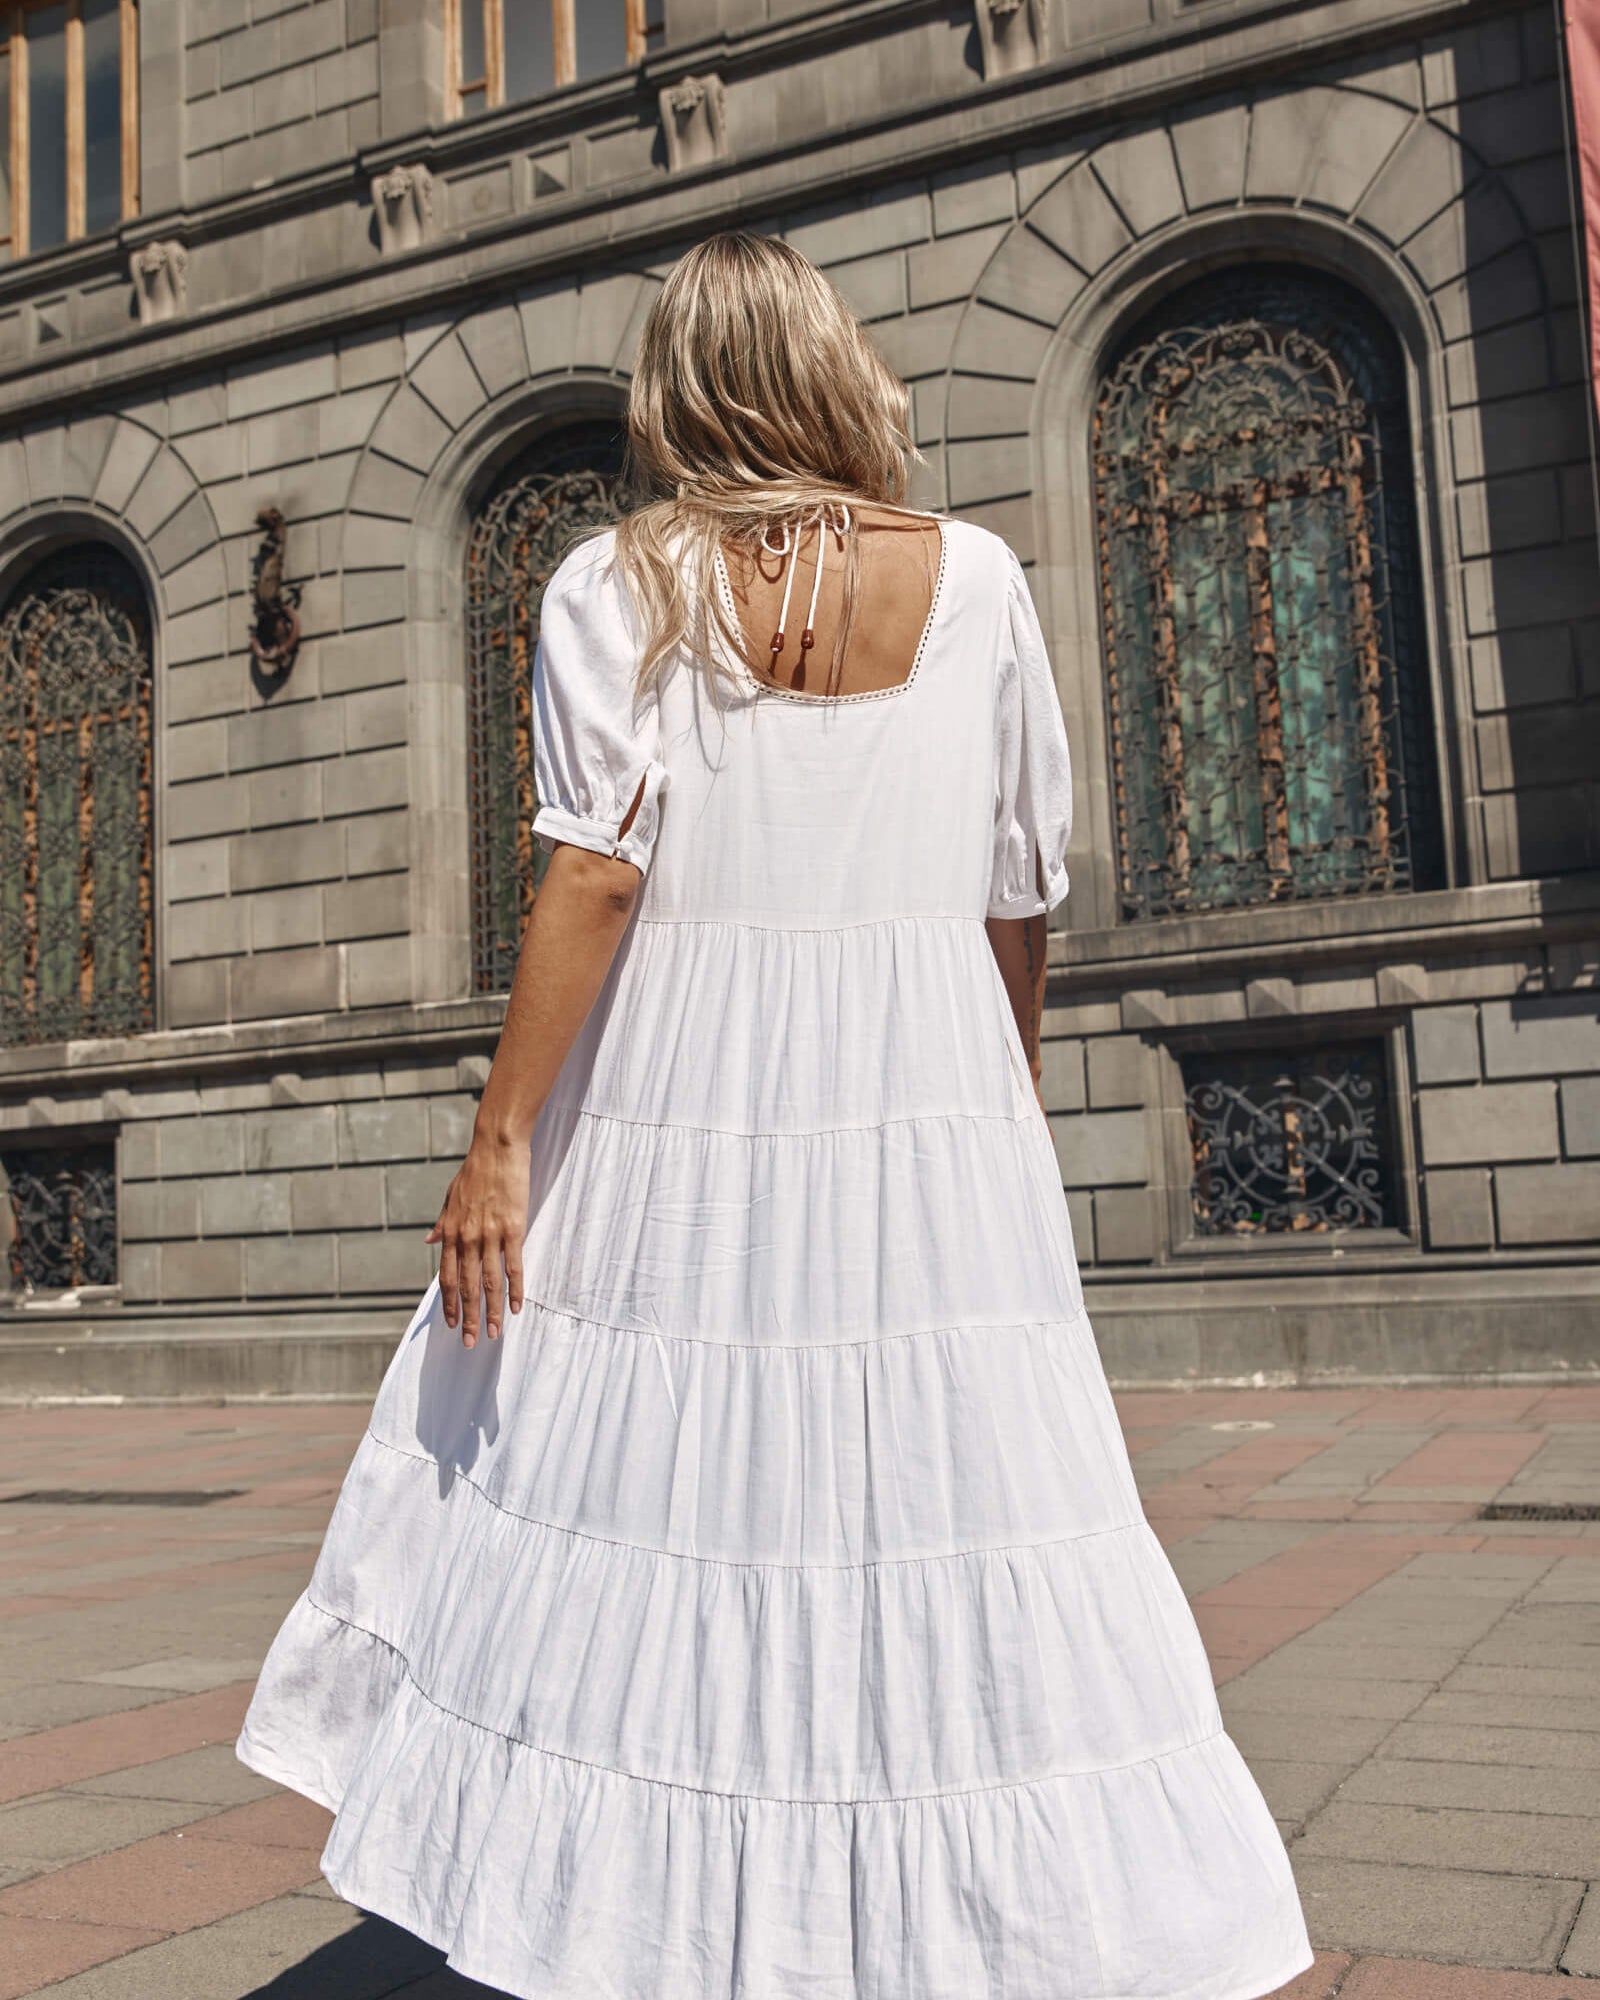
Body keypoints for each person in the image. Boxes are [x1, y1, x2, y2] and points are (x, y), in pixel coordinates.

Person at [236, 229, 1315, 2000]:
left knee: (663, 1493)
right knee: (936, 1505)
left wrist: (500, 1136)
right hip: (927, 1094)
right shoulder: (973, 578)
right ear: (832, 364)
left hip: (685, 1094)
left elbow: (594, 875)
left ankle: (664, 1923)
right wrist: (997, 1108)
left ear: (682, 389)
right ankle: (974, 1927)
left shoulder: (618, 581)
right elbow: (1018, 883)